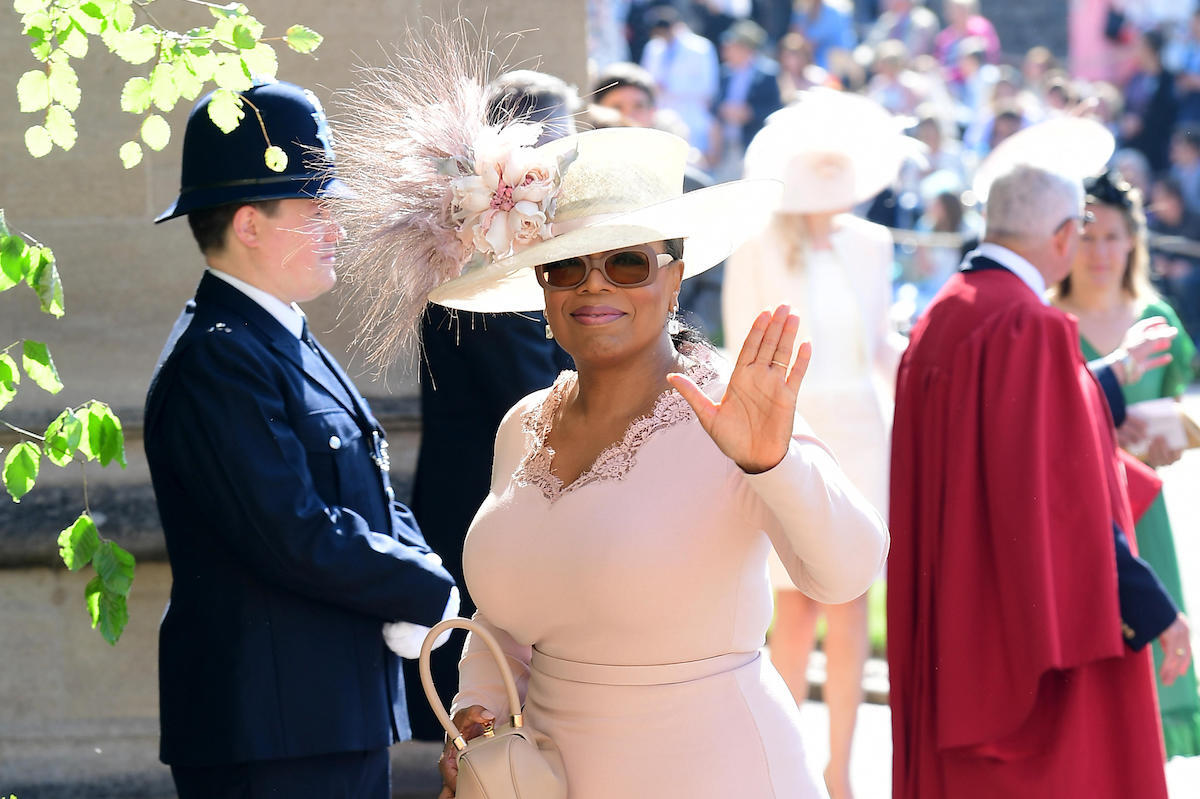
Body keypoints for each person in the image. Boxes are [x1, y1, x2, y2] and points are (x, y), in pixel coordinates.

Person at [331, 46, 889, 795]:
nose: (594, 285)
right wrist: (476, 716)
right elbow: (504, 618)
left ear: (675, 272)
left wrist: (774, 463)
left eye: (627, 261)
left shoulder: (732, 404)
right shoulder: (524, 424)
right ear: (542, 285)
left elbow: (847, 570)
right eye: (567, 265)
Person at [144, 80, 457, 798]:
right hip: (271, 733)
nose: (336, 229)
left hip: (321, 716)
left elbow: (366, 488)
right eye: (315, 210)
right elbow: (290, 528)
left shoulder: (274, 332)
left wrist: (419, 565)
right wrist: (424, 585)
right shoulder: (220, 355)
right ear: (250, 224)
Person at [889, 161, 1193, 799]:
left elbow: (1012, 434)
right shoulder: (1029, 326)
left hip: (957, 625)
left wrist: (1104, 376)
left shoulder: (944, 314)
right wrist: (1151, 606)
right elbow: (1060, 501)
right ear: (1063, 237)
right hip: (1014, 646)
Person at [724, 90, 909, 799]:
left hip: (864, 433)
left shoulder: (873, 242)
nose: (834, 172)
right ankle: (788, 761)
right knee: (792, 601)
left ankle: (840, 769)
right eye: (820, 161)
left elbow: (881, 345)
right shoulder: (760, 242)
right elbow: (748, 342)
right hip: (794, 432)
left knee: (853, 596)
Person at [403, 69, 579, 742]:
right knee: (488, 735)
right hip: (490, 518)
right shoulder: (478, 264)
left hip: (509, 515)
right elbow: (538, 404)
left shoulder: (517, 252)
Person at [1050, 170, 1200, 758]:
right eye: (1088, 235)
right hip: (1079, 520)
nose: (1100, 251)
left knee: (1152, 689)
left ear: (1133, 240)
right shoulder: (1047, 321)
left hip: (1146, 516)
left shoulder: (1157, 317)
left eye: (1113, 236)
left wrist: (1173, 441)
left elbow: (1182, 411)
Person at [639, 5, 720, 154]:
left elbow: (708, 87)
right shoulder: (653, 48)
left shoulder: (701, 47)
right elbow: (646, 78)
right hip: (661, 116)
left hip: (692, 115)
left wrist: (670, 87)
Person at [708, 19, 782, 180]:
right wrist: (723, 110)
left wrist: (750, 113)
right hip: (726, 147)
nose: (726, 49)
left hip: (751, 145)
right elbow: (714, 104)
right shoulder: (725, 73)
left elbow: (776, 109)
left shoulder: (769, 74)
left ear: (745, 47)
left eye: (731, 44)